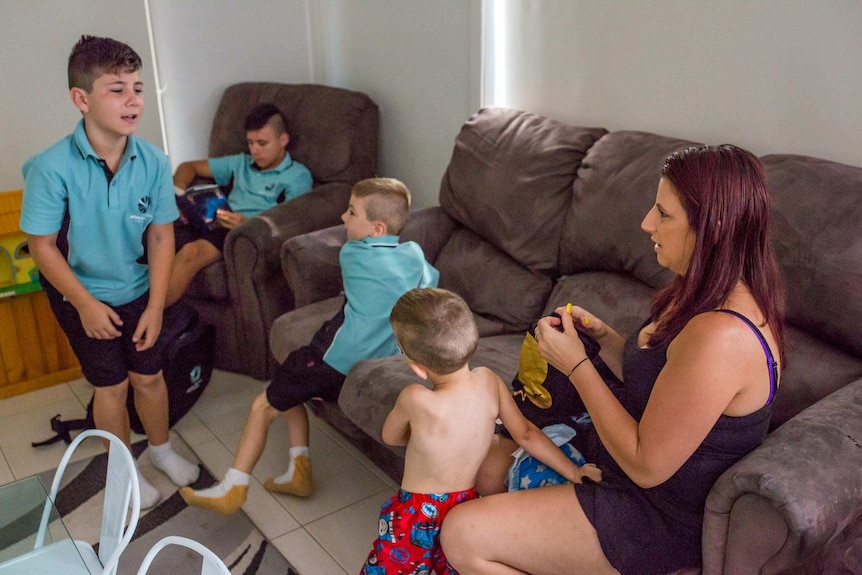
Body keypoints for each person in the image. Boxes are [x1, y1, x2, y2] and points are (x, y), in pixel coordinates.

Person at [440, 144, 786, 575]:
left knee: (461, 535)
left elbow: (646, 466)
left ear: (711, 226)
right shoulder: (702, 290)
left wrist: (578, 367)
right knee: (487, 463)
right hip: (614, 461)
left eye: (663, 213)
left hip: (655, 512)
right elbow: (664, 381)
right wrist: (606, 341)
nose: (646, 223)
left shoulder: (722, 336)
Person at [180, 177, 439, 514]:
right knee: (290, 389)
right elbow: (430, 288)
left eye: (351, 212)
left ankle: (233, 489)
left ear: (376, 228)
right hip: (377, 364)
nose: (344, 219)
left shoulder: (352, 253)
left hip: (332, 360)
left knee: (263, 406)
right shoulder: (414, 254)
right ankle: (298, 472)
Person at [20, 35, 199, 509]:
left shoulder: (155, 161)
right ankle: (124, 472)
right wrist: (84, 304)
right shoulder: (50, 168)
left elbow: (162, 236)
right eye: (117, 89)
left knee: (150, 377)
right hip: (78, 291)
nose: (133, 100)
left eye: (138, 88)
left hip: (137, 285)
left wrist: (157, 306)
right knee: (112, 387)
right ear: (81, 99)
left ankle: (159, 450)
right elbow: (41, 247)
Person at [360, 288, 602, 575]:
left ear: (417, 367)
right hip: (464, 507)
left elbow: (391, 436)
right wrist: (574, 473)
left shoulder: (416, 399)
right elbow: (526, 434)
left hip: (415, 515)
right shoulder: (489, 381)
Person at [166, 103, 313, 305]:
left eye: (262, 143)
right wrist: (179, 194)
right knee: (153, 236)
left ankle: (149, 321)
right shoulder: (240, 163)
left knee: (192, 252)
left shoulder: (297, 176)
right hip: (213, 219)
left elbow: (291, 223)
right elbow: (188, 167)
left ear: (283, 140)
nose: (255, 150)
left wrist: (248, 223)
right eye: (250, 143)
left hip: (245, 233)